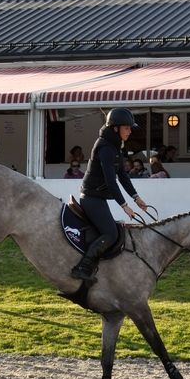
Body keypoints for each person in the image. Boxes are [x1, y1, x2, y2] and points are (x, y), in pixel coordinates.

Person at [71, 108, 148, 282]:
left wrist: (137, 198)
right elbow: (110, 181)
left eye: (130, 128)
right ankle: (82, 268)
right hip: (90, 198)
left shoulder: (115, 147)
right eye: (126, 128)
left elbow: (122, 175)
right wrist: (124, 206)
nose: (129, 131)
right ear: (115, 128)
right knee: (111, 234)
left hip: (97, 198)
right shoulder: (105, 148)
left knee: (112, 231)